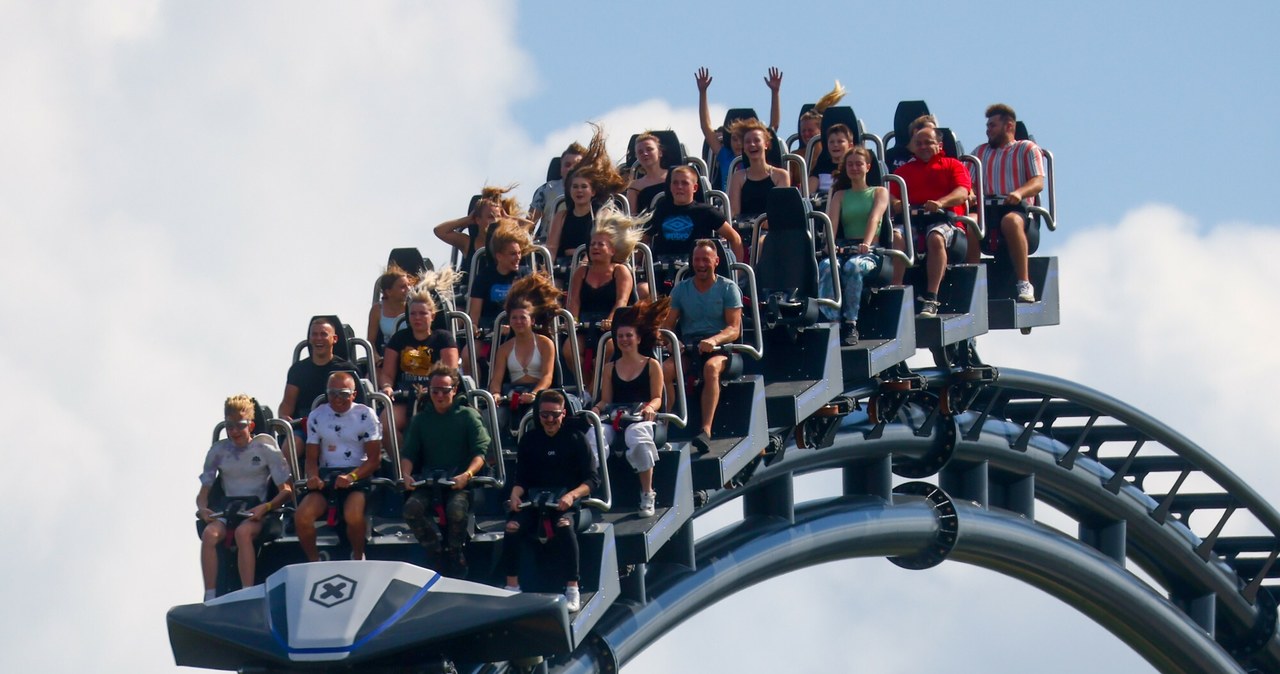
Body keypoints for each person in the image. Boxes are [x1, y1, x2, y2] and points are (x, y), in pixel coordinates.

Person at [502, 390, 600, 612]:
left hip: (566, 504)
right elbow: (522, 478)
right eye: (544, 415)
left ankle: (572, 587)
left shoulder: (576, 439)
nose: (549, 420)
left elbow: (593, 480)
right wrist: (516, 494)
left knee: (564, 526)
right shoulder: (529, 440)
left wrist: (572, 495)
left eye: (554, 415)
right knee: (512, 527)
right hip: (535, 502)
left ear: (563, 414)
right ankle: (512, 585)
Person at [196, 395, 293, 601]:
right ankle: (210, 595)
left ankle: (247, 592)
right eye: (229, 426)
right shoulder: (218, 451)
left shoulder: (265, 449)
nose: (234, 431)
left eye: (239, 425)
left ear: (251, 424)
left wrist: (266, 507)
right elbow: (203, 494)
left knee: (242, 533)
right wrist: (204, 509)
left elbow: (286, 490)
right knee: (210, 535)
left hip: (257, 510)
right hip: (228, 508)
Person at [399, 364, 490, 576]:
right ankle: (435, 552)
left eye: (445, 391)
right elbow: (409, 453)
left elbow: (481, 452)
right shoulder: (421, 420)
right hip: (428, 482)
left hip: (461, 483)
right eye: (435, 391)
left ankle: (455, 552)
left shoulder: (468, 416)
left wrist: (467, 475)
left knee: (456, 511)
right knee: (411, 509)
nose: (440, 395)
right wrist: (407, 475)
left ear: (454, 390)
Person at [588, 300, 668, 517]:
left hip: (640, 417)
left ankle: (647, 493)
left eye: (628, 336)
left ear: (638, 338)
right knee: (594, 436)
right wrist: (596, 409)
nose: (624, 340)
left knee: (638, 437)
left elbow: (657, 397)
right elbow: (606, 399)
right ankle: (587, 489)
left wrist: (650, 407)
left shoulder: (651, 364)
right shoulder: (610, 368)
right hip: (615, 416)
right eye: (620, 336)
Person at [661, 240, 743, 452]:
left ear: (716, 261)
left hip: (720, 349)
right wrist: (673, 342)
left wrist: (715, 340)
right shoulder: (682, 289)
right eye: (696, 260)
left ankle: (705, 429)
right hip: (690, 347)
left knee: (711, 369)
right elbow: (666, 326)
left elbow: (734, 329)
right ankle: (663, 426)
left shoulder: (727, 288)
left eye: (705, 260)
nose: (700, 264)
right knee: (665, 370)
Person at [293, 371, 382, 562]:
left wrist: (352, 477)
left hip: (357, 476)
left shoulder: (366, 415)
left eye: (343, 393)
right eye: (332, 393)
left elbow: (374, 459)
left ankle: (358, 555)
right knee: (302, 516)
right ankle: (314, 561)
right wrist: (313, 477)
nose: (337, 399)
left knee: (353, 514)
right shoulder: (317, 416)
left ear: (353, 394)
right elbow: (311, 459)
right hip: (327, 478)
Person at [889, 127, 973, 317]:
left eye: (928, 142)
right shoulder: (904, 171)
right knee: (897, 237)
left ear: (939, 145)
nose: (923, 147)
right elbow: (890, 195)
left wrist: (941, 203)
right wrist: (896, 203)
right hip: (913, 221)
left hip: (945, 221)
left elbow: (962, 192)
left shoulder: (952, 165)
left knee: (935, 237)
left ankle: (931, 297)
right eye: (919, 143)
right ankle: (895, 291)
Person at [971, 103, 1045, 303]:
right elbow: (969, 184)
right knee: (970, 223)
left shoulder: (1027, 149)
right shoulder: (979, 152)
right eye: (987, 126)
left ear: (1009, 126)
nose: (988, 130)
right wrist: (970, 194)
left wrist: (1019, 193)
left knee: (1010, 222)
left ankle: (1024, 282)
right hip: (986, 210)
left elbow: (1038, 181)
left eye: (992, 126)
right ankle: (972, 284)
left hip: (1017, 209)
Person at [566, 210, 644, 395]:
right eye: (592, 244)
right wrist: (573, 320)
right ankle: (586, 388)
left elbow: (621, 301)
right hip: (585, 322)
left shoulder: (620, 271)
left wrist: (611, 321)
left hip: (612, 323)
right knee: (569, 349)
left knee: (608, 348)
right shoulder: (581, 272)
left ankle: (594, 390)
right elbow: (574, 300)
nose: (595, 247)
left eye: (601, 244)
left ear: (612, 250)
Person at [821, 147, 891, 344]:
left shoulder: (879, 192)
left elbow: (875, 219)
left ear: (868, 167)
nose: (854, 168)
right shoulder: (840, 195)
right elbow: (831, 224)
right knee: (827, 267)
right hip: (845, 247)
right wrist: (829, 244)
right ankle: (832, 319)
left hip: (870, 250)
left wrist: (866, 244)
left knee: (854, 267)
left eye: (859, 164)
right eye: (850, 164)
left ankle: (851, 321)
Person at [378, 289, 459, 448]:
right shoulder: (399, 339)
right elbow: (387, 374)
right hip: (404, 397)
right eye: (413, 314)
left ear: (432, 316)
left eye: (422, 314)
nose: (417, 318)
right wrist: (387, 387)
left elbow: (451, 372)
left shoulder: (443, 338)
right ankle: (404, 464)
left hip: (436, 397)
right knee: (386, 424)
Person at [489, 274, 560, 431]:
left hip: (537, 395)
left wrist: (534, 394)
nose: (518, 322)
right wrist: (495, 393)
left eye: (523, 317)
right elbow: (496, 379)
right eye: (514, 318)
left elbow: (547, 377)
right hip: (512, 395)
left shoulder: (545, 343)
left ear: (532, 320)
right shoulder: (504, 349)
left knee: (531, 419)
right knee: (494, 418)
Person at [696, 67, 783, 192]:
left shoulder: (757, 158)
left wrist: (775, 93)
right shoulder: (725, 155)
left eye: (742, 140)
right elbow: (705, 126)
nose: (738, 144)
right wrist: (703, 92)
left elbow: (773, 127)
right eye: (734, 139)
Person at [277, 317, 356, 449]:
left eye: (323, 334)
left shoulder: (346, 369)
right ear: (309, 339)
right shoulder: (298, 370)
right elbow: (287, 403)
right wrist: (283, 417)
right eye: (314, 334)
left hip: (340, 422)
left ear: (334, 339)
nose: (318, 338)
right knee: (291, 445)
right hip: (306, 425)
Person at [647, 165, 744, 265]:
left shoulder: (706, 211)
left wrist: (736, 271)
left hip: (696, 269)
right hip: (662, 269)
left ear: (695, 187)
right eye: (675, 183)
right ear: (670, 186)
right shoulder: (660, 210)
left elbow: (734, 238)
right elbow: (644, 239)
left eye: (684, 183)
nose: (679, 187)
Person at [435, 185, 529, 273]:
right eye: (490, 217)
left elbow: (530, 226)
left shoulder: (509, 245)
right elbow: (439, 231)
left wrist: (508, 218)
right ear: (478, 220)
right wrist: (467, 220)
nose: (495, 221)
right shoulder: (467, 243)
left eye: (498, 217)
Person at [727, 118, 791, 233]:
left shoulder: (781, 176)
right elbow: (735, 213)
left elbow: (779, 211)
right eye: (747, 142)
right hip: (745, 230)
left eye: (757, 140)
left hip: (772, 231)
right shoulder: (738, 177)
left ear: (766, 144)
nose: (752, 144)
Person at [528, 142, 587, 229]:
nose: (571, 169)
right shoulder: (546, 190)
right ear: (560, 169)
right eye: (567, 165)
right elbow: (529, 225)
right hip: (545, 240)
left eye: (577, 165)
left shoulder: (592, 192)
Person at [366, 264, 415, 360]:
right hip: (389, 356)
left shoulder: (414, 307)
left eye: (408, 285)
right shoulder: (377, 310)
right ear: (388, 292)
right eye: (402, 287)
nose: (408, 289)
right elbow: (371, 341)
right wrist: (376, 358)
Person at [625, 132, 669, 214]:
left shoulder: (675, 176)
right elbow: (632, 217)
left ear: (660, 152)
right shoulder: (635, 186)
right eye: (640, 152)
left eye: (649, 149)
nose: (645, 154)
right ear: (637, 156)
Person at [810, 123, 854, 198]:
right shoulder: (821, 167)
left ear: (850, 145)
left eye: (840, 141)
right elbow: (808, 193)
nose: (835, 145)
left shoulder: (853, 167)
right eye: (831, 142)